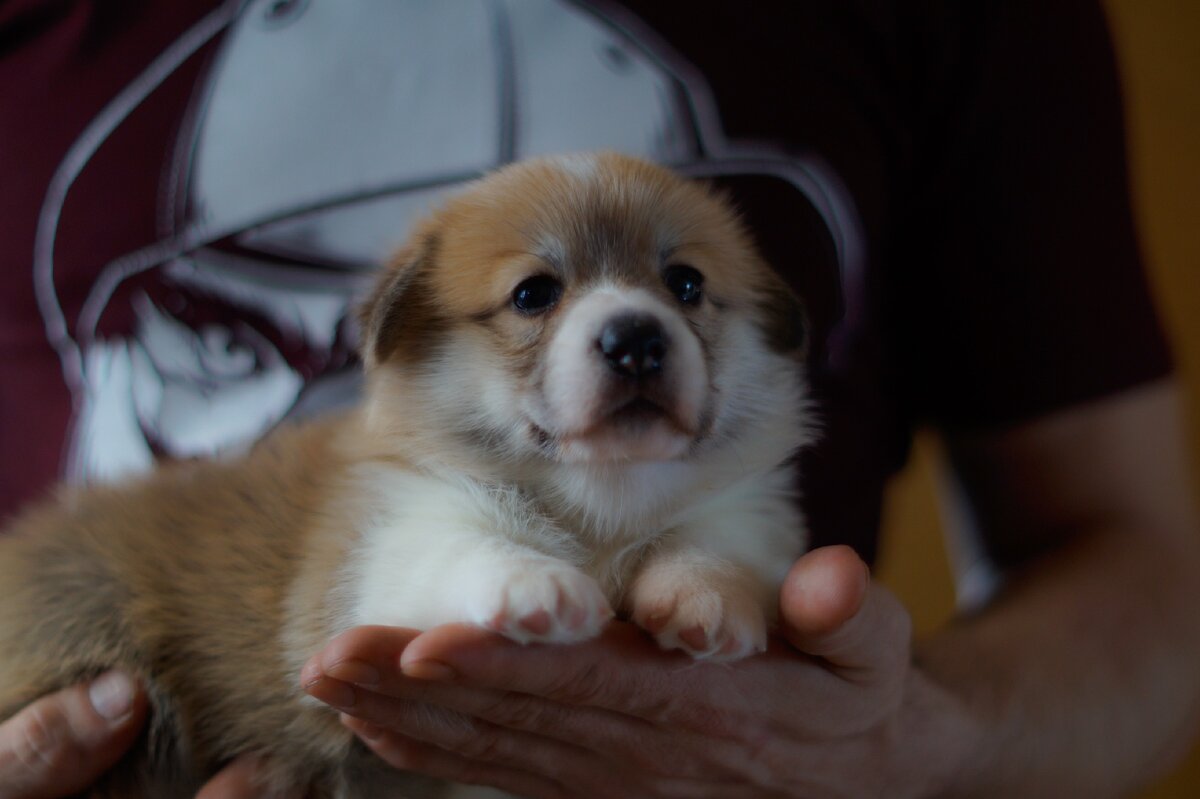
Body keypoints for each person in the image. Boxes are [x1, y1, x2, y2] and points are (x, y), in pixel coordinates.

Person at [2, 1, 1198, 797]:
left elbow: (1137, 560)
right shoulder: (412, 483)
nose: (631, 326)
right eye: (533, 294)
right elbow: (399, 586)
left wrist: (928, 739)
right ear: (402, 341)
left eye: (682, 286)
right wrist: (489, 588)